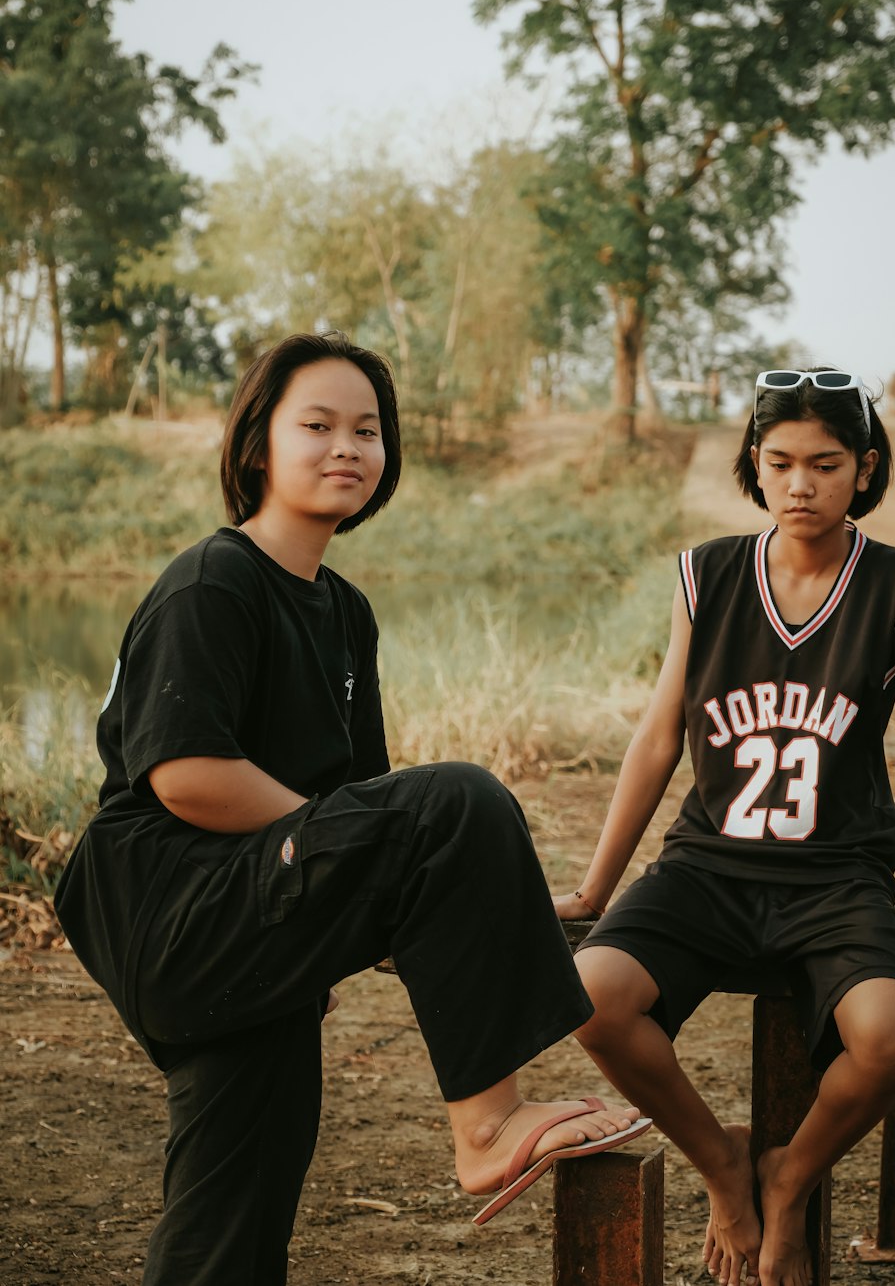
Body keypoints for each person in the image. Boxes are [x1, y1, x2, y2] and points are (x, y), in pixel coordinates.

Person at [55, 331, 649, 1286]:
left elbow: (358, 801)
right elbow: (185, 776)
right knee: (459, 801)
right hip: (172, 907)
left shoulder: (344, 611)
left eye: (367, 430)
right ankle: (488, 1125)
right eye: (318, 425)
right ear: (258, 446)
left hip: (252, 907)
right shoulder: (214, 582)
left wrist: (336, 900)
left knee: (242, 1186)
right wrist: (336, 856)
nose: (347, 447)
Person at [554, 368, 895, 1286]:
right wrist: (598, 888)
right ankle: (724, 1160)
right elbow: (656, 736)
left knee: (890, 1036)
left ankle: (788, 1176)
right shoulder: (708, 574)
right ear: (753, 466)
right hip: (708, 870)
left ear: (865, 470)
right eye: (781, 462)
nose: (802, 484)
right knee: (590, 994)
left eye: (827, 465)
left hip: (837, 879)